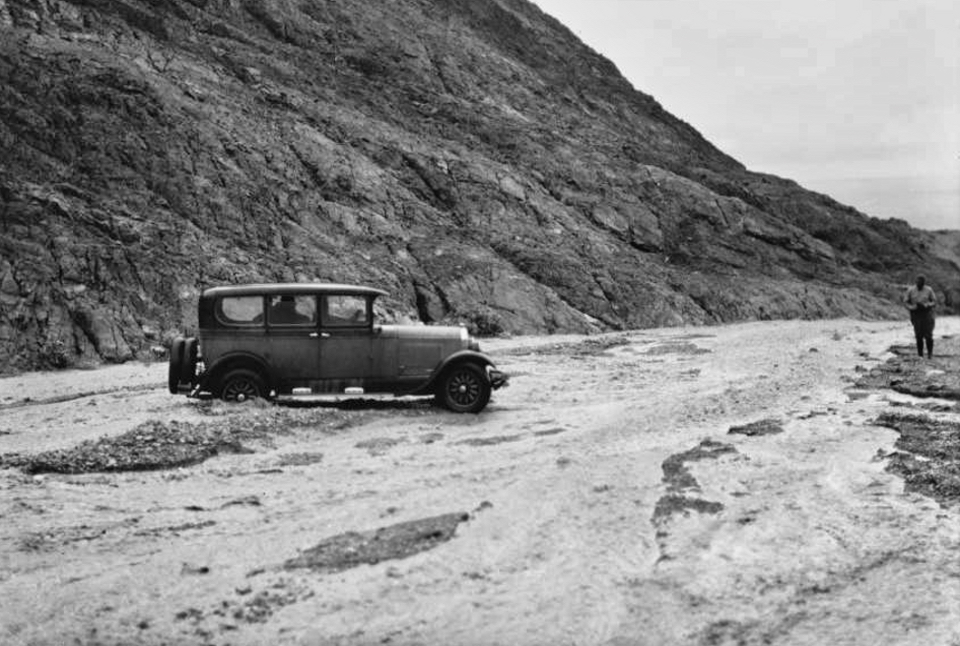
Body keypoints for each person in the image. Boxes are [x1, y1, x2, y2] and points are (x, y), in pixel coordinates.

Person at [903, 275, 936, 358]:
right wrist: (912, 307)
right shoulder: (910, 290)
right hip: (916, 314)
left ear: (924, 283)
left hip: (927, 314)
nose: (919, 284)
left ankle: (930, 354)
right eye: (918, 282)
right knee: (918, 335)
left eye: (921, 283)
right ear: (916, 282)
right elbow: (906, 302)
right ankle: (920, 354)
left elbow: (934, 301)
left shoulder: (929, 289)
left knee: (929, 335)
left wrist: (927, 305)